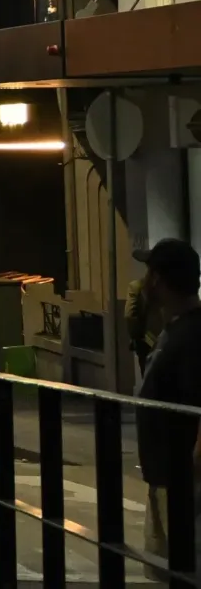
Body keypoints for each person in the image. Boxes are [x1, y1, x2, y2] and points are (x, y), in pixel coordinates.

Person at [132, 238, 201, 579]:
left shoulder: (192, 335)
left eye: (148, 272)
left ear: (157, 279)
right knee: (171, 571)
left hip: (184, 483)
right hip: (166, 478)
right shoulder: (173, 330)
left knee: (186, 569)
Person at [127, 274, 167, 376]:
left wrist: (137, 338)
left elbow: (130, 316)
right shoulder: (172, 286)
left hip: (147, 341)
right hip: (170, 338)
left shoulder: (137, 286)